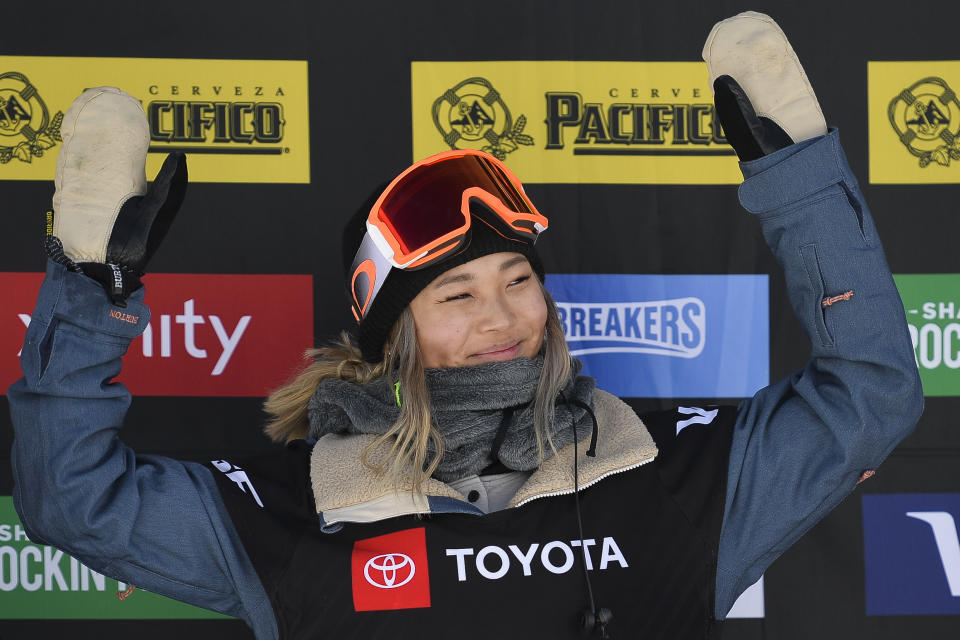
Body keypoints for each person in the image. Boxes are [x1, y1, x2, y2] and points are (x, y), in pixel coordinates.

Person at [8, 12, 922, 640]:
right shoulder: (294, 510)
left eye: (518, 278)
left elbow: (870, 392)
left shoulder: (677, 473)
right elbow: (72, 500)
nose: (504, 319)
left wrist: (799, 178)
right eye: (456, 296)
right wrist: (92, 289)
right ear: (392, 337)